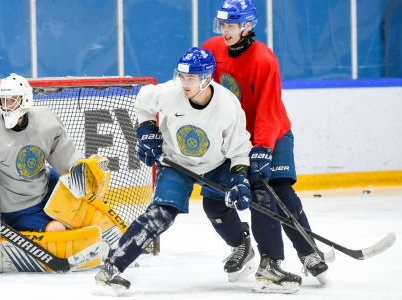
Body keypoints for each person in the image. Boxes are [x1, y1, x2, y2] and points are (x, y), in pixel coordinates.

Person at [94, 47, 254, 294]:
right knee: (160, 213)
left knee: (216, 208)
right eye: (181, 76)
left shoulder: (228, 106)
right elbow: (143, 102)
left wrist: (240, 178)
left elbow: (239, 149)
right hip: (176, 163)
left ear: (207, 78)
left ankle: (241, 245)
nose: (184, 83)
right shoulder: (170, 92)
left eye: (191, 78)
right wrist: (147, 130)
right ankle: (112, 269)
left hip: (216, 165)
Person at [203, 0, 328, 294]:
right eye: (222, 24)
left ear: (247, 27)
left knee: (276, 190)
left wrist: (262, 148)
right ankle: (241, 245)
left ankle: (307, 251)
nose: (225, 31)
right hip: (231, 139)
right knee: (213, 200)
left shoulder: (264, 59)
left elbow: (269, 109)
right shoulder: (212, 47)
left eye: (231, 25)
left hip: (272, 132)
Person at [0, 73, 83, 232]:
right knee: (57, 229)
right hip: (16, 206)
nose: (7, 105)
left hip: (45, 186)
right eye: (3, 99)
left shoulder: (45, 122)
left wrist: (81, 169)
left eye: (12, 99)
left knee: (83, 207)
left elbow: (64, 156)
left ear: (25, 99)